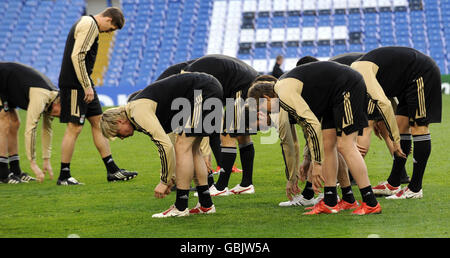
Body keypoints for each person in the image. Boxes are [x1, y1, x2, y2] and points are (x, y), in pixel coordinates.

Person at [248, 61, 382, 215]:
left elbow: (312, 125)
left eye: (262, 108)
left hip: (347, 86)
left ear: (266, 98)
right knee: (328, 144)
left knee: (345, 145)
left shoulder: (284, 93)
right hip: (333, 94)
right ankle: (333, 201)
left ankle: (370, 202)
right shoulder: (284, 90)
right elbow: (310, 129)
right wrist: (309, 159)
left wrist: (317, 164)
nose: (267, 113)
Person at [99, 72, 223, 218]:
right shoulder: (136, 111)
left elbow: (165, 146)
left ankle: (181, 207)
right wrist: (169, 176)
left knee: (182, 146)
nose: (121, 138)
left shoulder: (136, 112)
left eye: (117, 133)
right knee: (192, 149)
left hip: (202, 90)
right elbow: (167, 143)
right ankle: (206, 204)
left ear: (119, 121)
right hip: (205, 88)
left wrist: (164, 181)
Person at [57, 7, 136, 185]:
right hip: (75, 84)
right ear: (108, 20)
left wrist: (87, 84)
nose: (108, 32)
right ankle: (64, 175)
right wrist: (86, 85)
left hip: (84, 83)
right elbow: (77, 56)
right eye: (111, 29)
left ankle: (112, 170)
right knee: (74, 127)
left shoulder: (88, 24)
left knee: (98, 122)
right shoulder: (90, 24)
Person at [351, 46, 442, 199]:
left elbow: (384, 104)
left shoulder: (359, 71)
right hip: (405, 82)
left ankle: (415, 188)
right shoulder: (355, 75)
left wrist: (395, 139)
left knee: (419, 127)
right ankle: (393, 183)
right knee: (401, 126)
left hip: (421, 73)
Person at [184, 54, 259, 196]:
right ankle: (246, 184)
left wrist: (203, 152)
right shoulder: (198, 68)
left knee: (226, 135)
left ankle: (220, 187)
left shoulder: (191, 78)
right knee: (243, 137)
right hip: (248, 85)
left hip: (241, 89)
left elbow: (201, 110)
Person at [0, 62, 61, 184]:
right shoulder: (42, 96)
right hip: (1, 79)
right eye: (60, 114)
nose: (58, 117)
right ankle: (2, 173)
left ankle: (16, 171)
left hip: (8, 86)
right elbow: (30, 129)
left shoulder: (53, 99)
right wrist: (33, 163)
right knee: (4, 120)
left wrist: (46, 160)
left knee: (15, 123)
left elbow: (47, 130)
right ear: (58, 104)